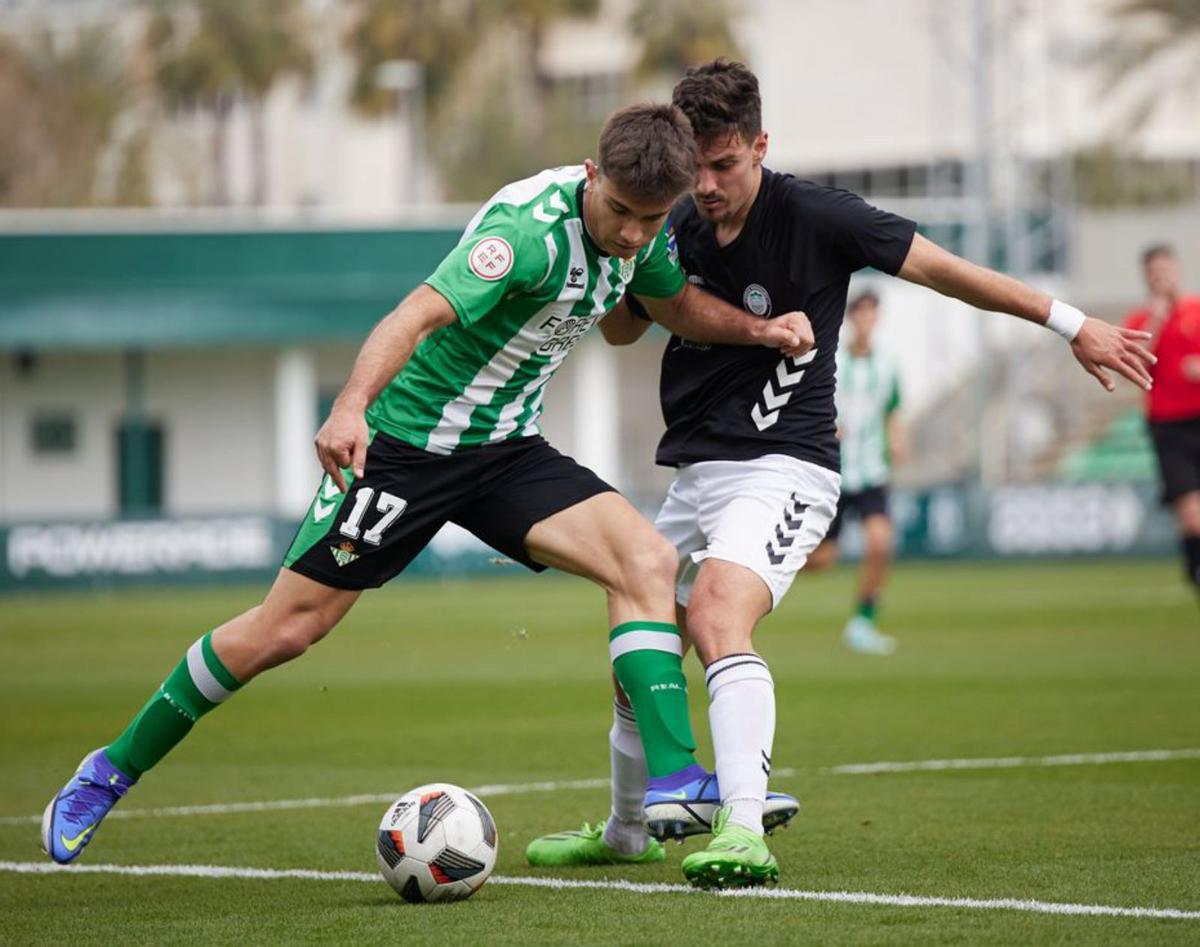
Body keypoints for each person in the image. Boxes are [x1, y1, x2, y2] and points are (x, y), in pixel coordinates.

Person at [41, 103, 815, 865]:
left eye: (651, 219)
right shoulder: (524, 235)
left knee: (645, 561)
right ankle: (108, 769)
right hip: (408, 448)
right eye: (621, 213)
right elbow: (413, 315)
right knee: (285, 630)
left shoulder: (638, 234)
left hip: (507, 450)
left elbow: (667, 303)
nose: (634, 234)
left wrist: (761, 328)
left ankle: (676, 780)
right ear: (591, 175)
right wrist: (350, 408)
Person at [526, 59, 1155, 889]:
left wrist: (1069, 322)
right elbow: (617, 335)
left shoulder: (818, 215)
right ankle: (627, 829)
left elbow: (947, 271)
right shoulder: (666, 217)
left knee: (715, 612)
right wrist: (614, 257)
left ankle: (743, 828)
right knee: (638, 641)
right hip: (697, 467)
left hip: (788, 466)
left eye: (725, 165)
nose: (707, 186)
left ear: (760, 145)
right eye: (697, 168)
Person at [805, 289, 907, 655]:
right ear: (852, 319)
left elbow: (892, 408)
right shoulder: (832, 361)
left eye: (872, 315)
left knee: (880, 541)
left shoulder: (888, 364)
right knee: (820, 560)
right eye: (861, 314)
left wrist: (897, 438)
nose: (866, 322)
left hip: (872, 470)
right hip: (834, 470)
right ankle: (755, 570)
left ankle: (862, 622)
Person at [1123, 244, 1200, 599]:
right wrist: (1157, 318)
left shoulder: (1197, 311)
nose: (1162, 279)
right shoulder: (1140, 323)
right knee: (1190, 511)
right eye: (1155, 274)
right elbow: (1135, 363)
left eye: (1166, 271)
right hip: (1169, 426)